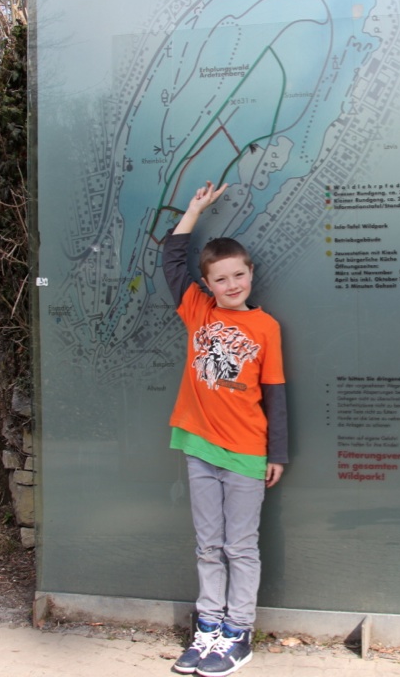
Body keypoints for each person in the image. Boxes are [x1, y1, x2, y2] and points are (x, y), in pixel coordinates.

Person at [162, 181, 288, 677]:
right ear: (207, 284)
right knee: (208, 546)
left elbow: (275, 393)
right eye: (221, 278)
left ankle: (238, 632)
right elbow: (172, 260)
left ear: (251, 274)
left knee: (240, 546)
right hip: (199, 446)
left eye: (239, 274)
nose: (232, 284)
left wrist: (277, 453)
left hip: (246, 452)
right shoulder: (198, 310)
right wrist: (194, 210)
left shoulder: (267, 327)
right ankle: (208, 627)